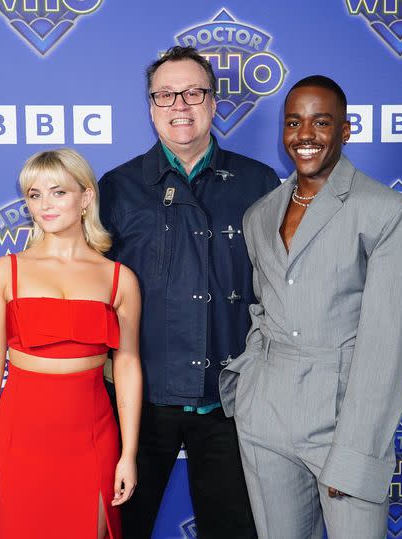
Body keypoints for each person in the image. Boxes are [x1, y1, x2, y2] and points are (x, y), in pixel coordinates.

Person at [219, 76, 402, 538]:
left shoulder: (386, 211)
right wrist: (249, 391)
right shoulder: (261, 213)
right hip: (265, 416)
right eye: (294, 122)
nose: (304, 135)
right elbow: (264, 308)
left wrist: (354, 453)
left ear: (345, 130)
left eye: (320, 122)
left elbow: (386, 348)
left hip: (340, 421)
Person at [98, 46, 280, 538]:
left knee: (235, 530)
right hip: (140, 401)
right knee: (120, 527)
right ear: (151, 106)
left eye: (193, 92)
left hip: (231, 400)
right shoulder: (115, 188)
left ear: (214, 102)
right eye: (165, 95)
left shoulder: (260, 182)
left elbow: (283, 289)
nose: (180, 105)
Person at [0, 148, 142, 539]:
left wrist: (128, 454)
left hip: (92, 438)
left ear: (86, 197)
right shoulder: (2, 272)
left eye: (58, 192)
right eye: (34, 194)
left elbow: (128, 366)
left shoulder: (119, 279)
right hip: (20, 440)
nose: (44, 204)